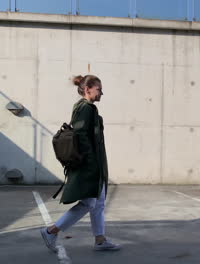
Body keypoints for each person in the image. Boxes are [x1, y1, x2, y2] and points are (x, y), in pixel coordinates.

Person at [40, 75, 121, 252]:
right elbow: (81, 135)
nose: (102, 93)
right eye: (99, 89)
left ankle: (100, 240)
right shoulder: (86, 108)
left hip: (95, 164)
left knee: (98, 203)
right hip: (90, 165)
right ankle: (51, 231)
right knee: (88, 204)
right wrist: (91, 163)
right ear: (87, 89)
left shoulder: (86, 108)